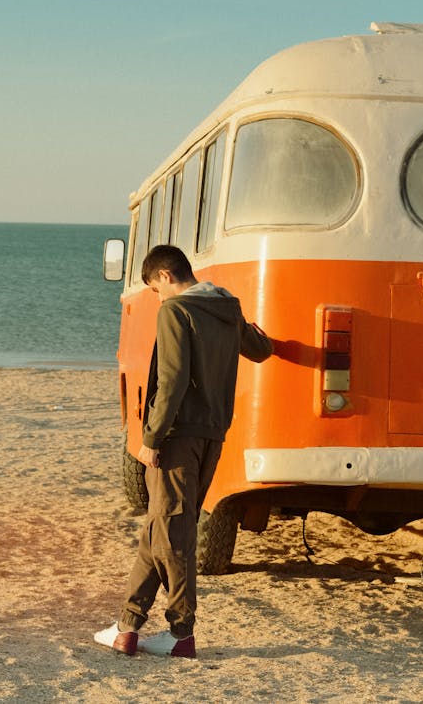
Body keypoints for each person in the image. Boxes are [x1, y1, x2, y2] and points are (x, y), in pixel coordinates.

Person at [94, 245, 273, 658]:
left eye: (155, 290)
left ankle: (181, 633)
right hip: (213, 434)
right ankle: (127, 626)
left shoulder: (176, 311)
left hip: (178, 436)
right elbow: (260, 350)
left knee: (173, 534)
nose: (158, 298)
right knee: (161, 528)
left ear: (162, 277)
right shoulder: (227, 308)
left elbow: (172, 381)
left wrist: (151, 438)